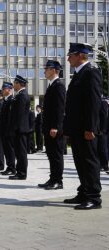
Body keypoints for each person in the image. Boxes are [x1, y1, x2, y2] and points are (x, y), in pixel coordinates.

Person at [63, 43, 102, 209]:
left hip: (86, 129)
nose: (68, 58)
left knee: (89, 162)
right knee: (80, 162)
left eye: (70, 55)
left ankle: (94, 198)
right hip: (77, 128)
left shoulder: (91, 73)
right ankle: (84, 193)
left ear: (80, 55)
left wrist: (90, 128)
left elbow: (93, 103)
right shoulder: (79, 74)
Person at [38, 60, 66, 190]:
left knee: (56, 155)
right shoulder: (51, 85)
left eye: (47, 68)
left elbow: (59, 108)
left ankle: (58, 181)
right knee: (51, 154)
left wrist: (55, 126)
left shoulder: (59, 86)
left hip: (54, 128)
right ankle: (53, 178)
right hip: (49, 127)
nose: (45, 71)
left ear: (54, 70)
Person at [9, 75, 30, 180]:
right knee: (18, 151)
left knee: (21, 152)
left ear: (19, 83)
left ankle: (22, 173)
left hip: (20, 128)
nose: (13, 85)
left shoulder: (22, 95)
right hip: (19, 128)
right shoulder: (19, 94)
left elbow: (20, 114)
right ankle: (19, 171)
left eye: (14, 83)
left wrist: (15, 127)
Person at [0, 82, 17, 175]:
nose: (2, 90)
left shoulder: (12, 100)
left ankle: (12, 168)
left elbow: (11, 117)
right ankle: (9, 166)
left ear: (9, 89)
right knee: (6, 149)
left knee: (10, 150)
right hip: (4, 130)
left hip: (9, 130)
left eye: (4, 88)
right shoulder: (5, 100)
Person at [98, 97, 109, 172]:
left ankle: (104, 165)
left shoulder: (103, 102)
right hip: (103, 129)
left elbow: (104, 116)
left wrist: (102, 129)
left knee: (103, 147)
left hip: (104, 129)